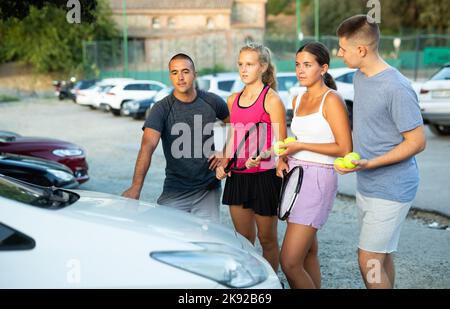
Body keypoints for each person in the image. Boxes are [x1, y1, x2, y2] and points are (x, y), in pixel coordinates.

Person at [335, 15, 426, 289]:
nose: (339, 53)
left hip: (393, 188)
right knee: (381, 256)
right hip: (368, 184)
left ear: (361, 50)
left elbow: (417, 142)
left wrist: (370, 163)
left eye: (343, 48)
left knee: (369, 260)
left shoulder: (396, 87)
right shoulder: (360, 77)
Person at [276, 42, 353, 289]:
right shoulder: (298, 98)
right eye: (298, 64)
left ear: (323, 68)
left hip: (319, 180)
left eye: (307, 65)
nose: (300, 70)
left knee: (288, 261)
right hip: (295, 177)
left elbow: (344, 148)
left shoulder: (331, 100)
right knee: (307, 253)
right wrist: (285, 156)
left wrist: (301, 147)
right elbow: (298, 139)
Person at [122, 53, 229, 223]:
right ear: (170, 76)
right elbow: (147, 146)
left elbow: (236, 125)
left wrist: (225, 151)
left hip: (208, 190)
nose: (180, 77)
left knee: (206, 243)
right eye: (174, 72)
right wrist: (136, 187)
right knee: (168, 238)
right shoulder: (161, 108)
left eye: (185, 71)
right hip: (175, 190)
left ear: (195, 74)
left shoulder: (212, 101)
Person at [216, 43, 287, 271]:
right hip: (238, 177)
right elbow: (234, 137)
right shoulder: (232, 99)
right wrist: (223, 161)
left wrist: (264, 154)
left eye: (250, 64)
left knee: (267, 240)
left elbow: (282, 144)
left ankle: (270, 285)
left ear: (263, 67)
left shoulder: (272, 100)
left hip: (265, 177)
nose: (243, 69)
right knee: (243, 241)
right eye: (240, 64)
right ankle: (249, 285)